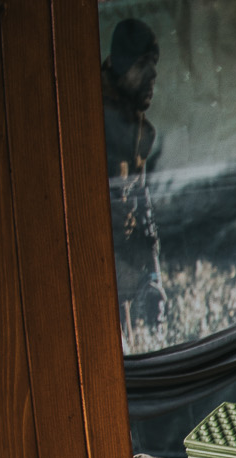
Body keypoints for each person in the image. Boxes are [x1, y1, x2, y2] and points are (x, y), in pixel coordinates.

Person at [102, 17, 163, 331]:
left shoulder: (141, 131)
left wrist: (153, 279)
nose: (153, 74)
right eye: (143, 63)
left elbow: (143, 210)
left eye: (153, 63)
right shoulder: (88, 115)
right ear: (121, 65)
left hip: (122, 266)